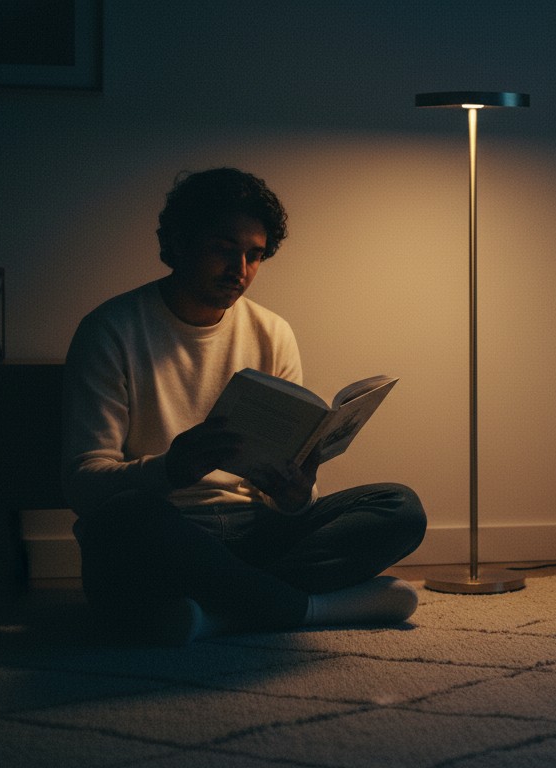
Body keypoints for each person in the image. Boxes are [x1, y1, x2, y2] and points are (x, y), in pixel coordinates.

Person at [61, 167, 426, 645]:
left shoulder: (271, 331)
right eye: (224, 249)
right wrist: (171, 469)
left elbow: (284, 490)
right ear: (179, 242)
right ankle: (307, 608)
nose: (241, 270)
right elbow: (83, 486)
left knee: (399, 507)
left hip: (255, 532)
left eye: (255, 255)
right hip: (167, 532)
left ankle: (218, 613)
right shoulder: (111, 329)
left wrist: (296, 496)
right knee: (121, 520)